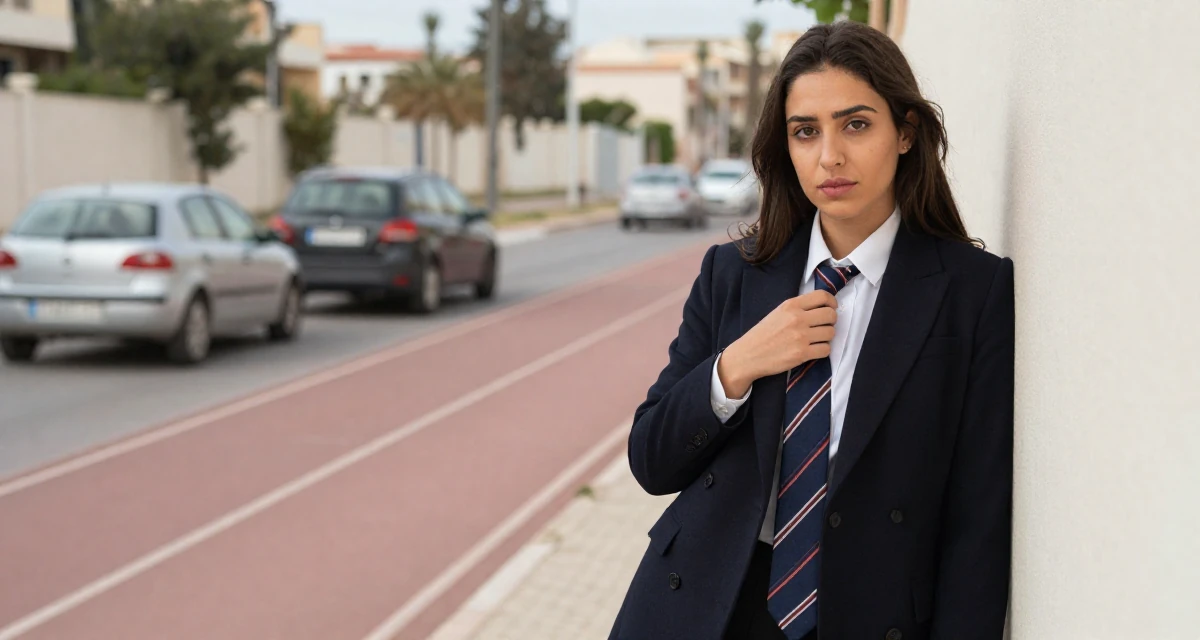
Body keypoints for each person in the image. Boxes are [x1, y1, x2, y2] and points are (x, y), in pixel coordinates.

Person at [608, 21, 1014, 640]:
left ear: (904, 132)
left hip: (866, 615)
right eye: (805, 132)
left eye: (856, 124)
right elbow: (651, 462)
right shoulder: (734, 274)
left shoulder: (970, 290)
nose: (830, 156)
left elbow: (978, 521)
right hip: (706, 604)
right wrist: (737, 365)